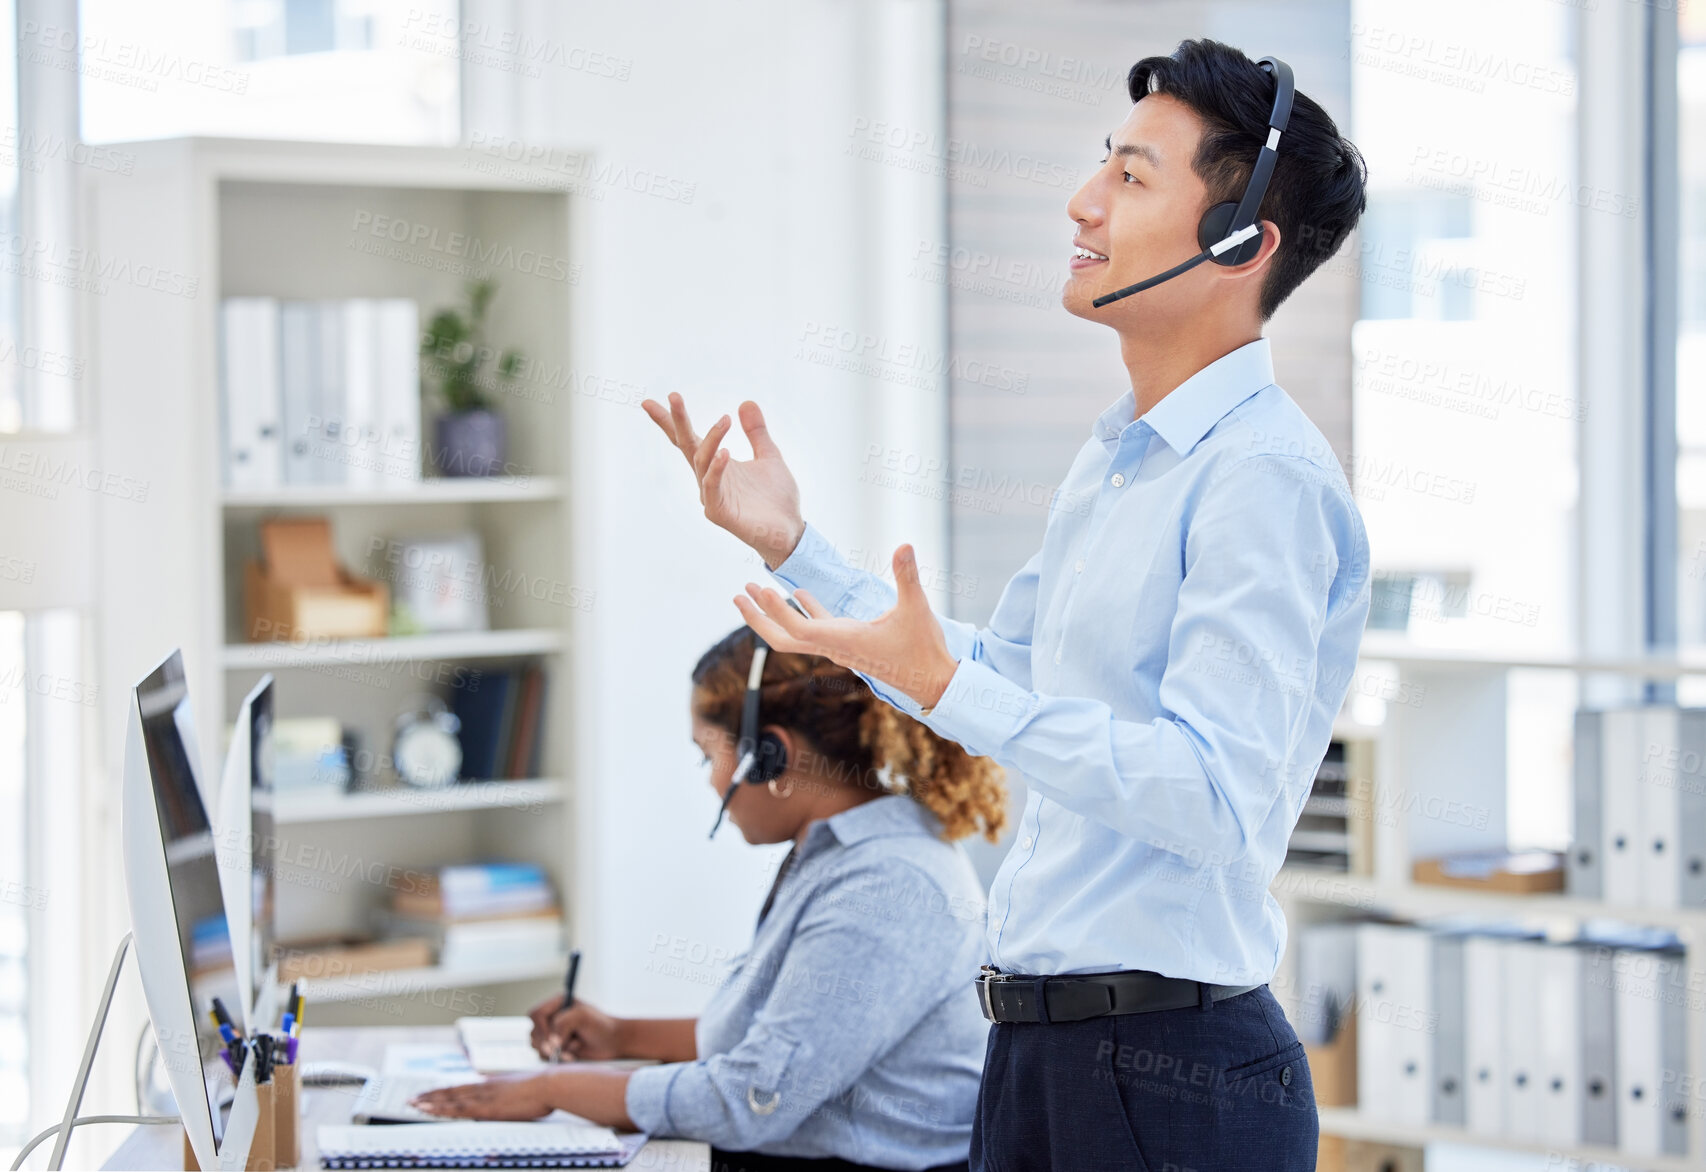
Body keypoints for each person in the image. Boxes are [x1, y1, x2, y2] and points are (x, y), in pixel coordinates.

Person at [639, 38, 1371, 1172]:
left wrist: (952, 687)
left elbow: (1214, 795)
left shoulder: (1261, 479)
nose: (1082, 202)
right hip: (1039, 1054)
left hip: (1164, 1070)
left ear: (1240, 241)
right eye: (1101, 166)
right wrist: (797, 549)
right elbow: (1005, 679)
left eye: (1130, 178)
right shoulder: (1120, 459)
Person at [413, 625, 1007, 1172]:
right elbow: (773, 1041)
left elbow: (751, 1098)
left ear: (770, 756)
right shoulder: (839, 856)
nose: (709, 782)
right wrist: (620, 1037)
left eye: (709, 756)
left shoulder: (889, 885)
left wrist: (548, 1090)